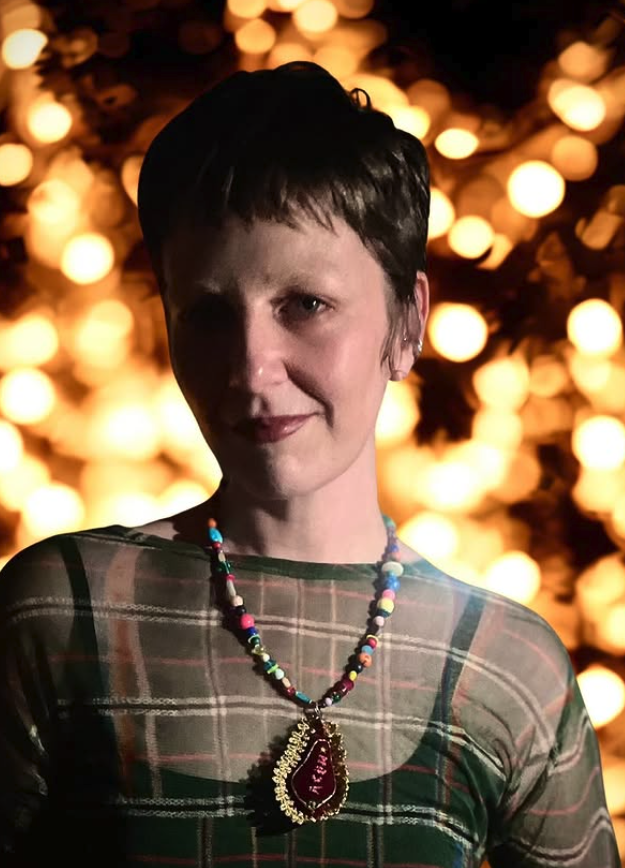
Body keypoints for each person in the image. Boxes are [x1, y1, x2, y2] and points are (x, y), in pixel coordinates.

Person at [0, 61, 619, 868]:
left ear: (407, 324)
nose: (250, 368)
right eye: (209, 314)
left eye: (305, 305)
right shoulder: (60, 614)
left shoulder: (504, 665)